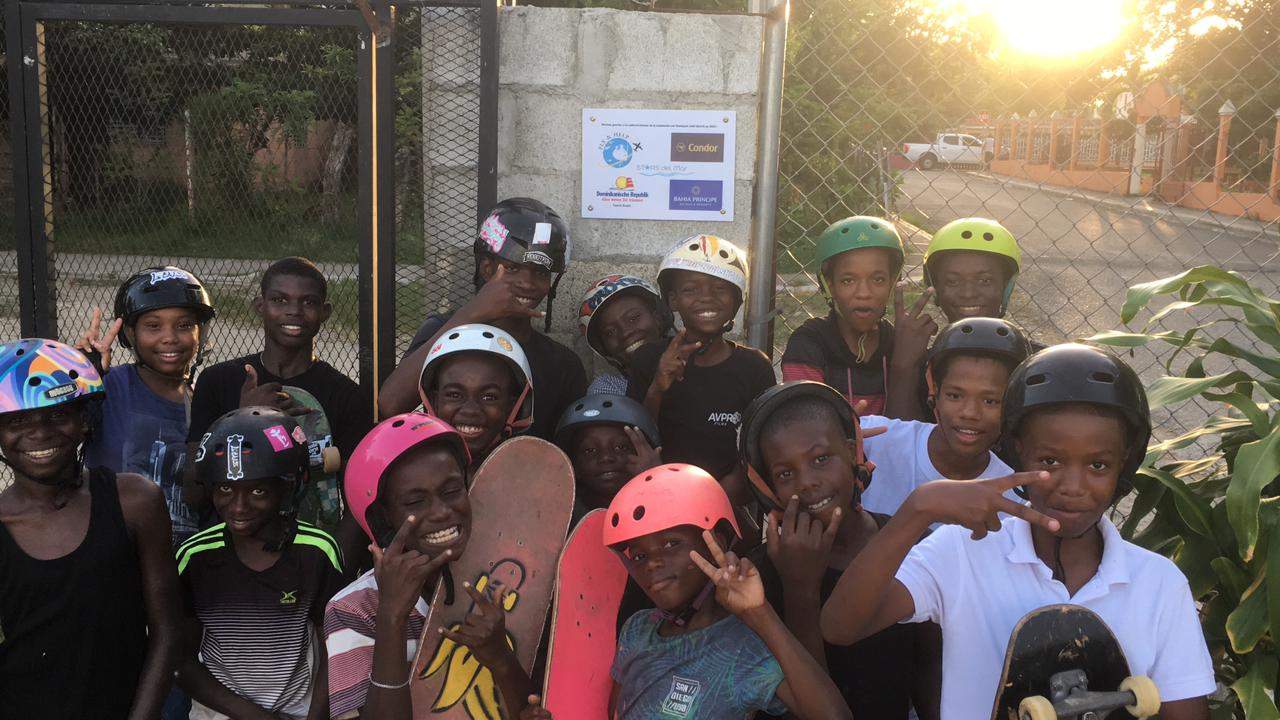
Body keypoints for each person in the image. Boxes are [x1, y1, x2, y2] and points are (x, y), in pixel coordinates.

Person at [819, 344, 1216, 720]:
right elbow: (841, 626)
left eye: (1098, 465)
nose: (1072, 486)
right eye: (1050, 460)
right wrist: (918, 508)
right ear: (1016, 451)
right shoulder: (962, 551)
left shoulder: (1159, 584)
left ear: (1125, 463)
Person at [737, 381, 940, 719]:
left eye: (820, 458)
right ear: (768, 488)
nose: (807, 482)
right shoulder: (759, 578)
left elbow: (930, 670)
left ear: (851, 452)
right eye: (785, 473)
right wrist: (799, 587)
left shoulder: (911, 544)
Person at [0, 339, 180, 719]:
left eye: (57, 414)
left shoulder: (135, 501)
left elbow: (166, 631)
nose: (39, 432)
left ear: (86, 420)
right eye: (17, 421)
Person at [597, 464, 852, 720]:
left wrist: (759, 613)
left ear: (716, 542)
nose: (652, 563)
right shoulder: (638, 629)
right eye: (640, 556)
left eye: (671, 543)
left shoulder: (743, 646)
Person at [325, 413, 534, 720]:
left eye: (451, 491)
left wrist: (501, 659)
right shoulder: (354, 609)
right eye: (415, 502)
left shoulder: (500, 581)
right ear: (383, 520)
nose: (441, 512)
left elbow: (527, 709)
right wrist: (391, 617)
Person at [184, 257, 371, 562]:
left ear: (325, 312)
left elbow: (358, 500)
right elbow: (193, 492)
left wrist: (334, 569)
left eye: (308, 302)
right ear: (260, 305)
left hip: (311, 556)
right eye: (279, 300)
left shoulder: (345, 395)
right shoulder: (219, 381)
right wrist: (242, 418)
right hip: (231, 556)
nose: (294, 311)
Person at [176, 407, 344, 720]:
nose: (239, 507)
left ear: (289, 487)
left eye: (258, 490)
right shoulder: (195, 557)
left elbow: (334, 652)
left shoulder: (317, 552)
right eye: (225, 488)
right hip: (219, 712)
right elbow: (181, 662)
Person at [381, 198, 587, 440]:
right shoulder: (443, 329)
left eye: (540, 273)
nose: (528, 283)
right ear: (487, 269)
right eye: (512, 268)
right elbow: (391, 404)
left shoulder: (562, 364)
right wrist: (472, 313)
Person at [626, 235, 774, 503]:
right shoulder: (648, 359)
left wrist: (715, 499)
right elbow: (636, 438)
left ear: (736, 300)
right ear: (672, 300)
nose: (706, 299)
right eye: (690, 290)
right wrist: (658, 387)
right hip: (658, 495)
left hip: (728, 501)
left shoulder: (754, 367)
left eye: (720, 289)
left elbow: (760, 446)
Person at [79, 265, 216, 548]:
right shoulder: (111, 387)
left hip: (185, 558)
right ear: (129, 333)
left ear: (200, 332)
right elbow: (60, 432)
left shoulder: (205, 401)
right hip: (111, 551)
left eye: (184, 325)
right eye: (153, 326)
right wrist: (82, 382)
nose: (169, 337)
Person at [860, 317, 1032, 521]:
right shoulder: (873, 441)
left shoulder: (1013, 499)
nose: (970, 413)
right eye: (955, 395)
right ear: (934, 389)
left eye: (990, 401)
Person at [885, 217, 1025, 420]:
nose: (968, 293)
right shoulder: (926, 363)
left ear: (1005, 287)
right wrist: (904, 365)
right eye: (952, 281)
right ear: (936, 289)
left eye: (985, 281)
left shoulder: (1028, 361)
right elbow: (901, 439)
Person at [781, 216, 907, 416]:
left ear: (892, 282)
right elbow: (806, 427)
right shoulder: (808, 344)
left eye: (878, 279)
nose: (864, 293)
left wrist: (906, 360)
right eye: (848, 281)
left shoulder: (898, 342)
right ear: (829, 286)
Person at [417, 323, 533, 469]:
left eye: (489, 397)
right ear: (434, 402)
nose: (470, 410)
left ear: (512, 407)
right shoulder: (413, 473)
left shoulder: (530, 476)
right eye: (454, 395)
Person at [553, 393, 663, 523]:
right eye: (590, 450)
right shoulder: (561, 518)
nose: (606, 457)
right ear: (574, 466)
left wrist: (655, 480)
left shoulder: (665, 499)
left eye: (621, 447)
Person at [577, 274, 669, 395]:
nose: (626, 333)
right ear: (604, 349)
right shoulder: (608, 391)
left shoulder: (695, 362)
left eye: (633, 318)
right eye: (610, 332)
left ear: (658, 318)